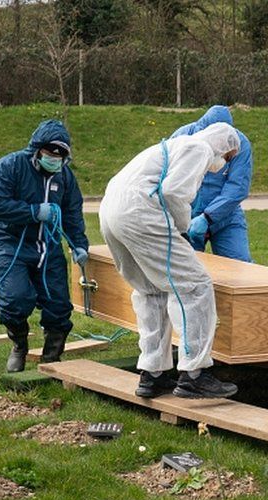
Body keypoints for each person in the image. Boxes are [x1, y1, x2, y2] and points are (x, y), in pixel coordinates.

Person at [99, 123, 241, 399]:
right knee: (194, 286)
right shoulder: (199, 148)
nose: (224, 164)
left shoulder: (172, 146)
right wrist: (183, 230)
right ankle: (194, 375)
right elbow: (175, 193)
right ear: (222, 146)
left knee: (151, 290)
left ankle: (152, 374)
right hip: (141, 212)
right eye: (227, 157)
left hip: (112, 211)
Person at [0, 119, 89, 373]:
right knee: (16, 299)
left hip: (49, 247)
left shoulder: (64, 175)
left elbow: (72, 211)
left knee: (59, 304)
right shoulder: (10, 166)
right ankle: (19, 345)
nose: (54, 158)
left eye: (60, 155)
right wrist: (33, 212)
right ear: (37, 149)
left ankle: (51, 358)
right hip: (11, 244)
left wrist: (79, 245)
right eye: (50, 153)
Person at [170, 106, 253, 262]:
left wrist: (208, 217)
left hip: (225, 217)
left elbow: (237, 187)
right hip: (187, 217)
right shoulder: (184, 136)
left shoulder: (239, 144)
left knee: (240, 266)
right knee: (185, 268)